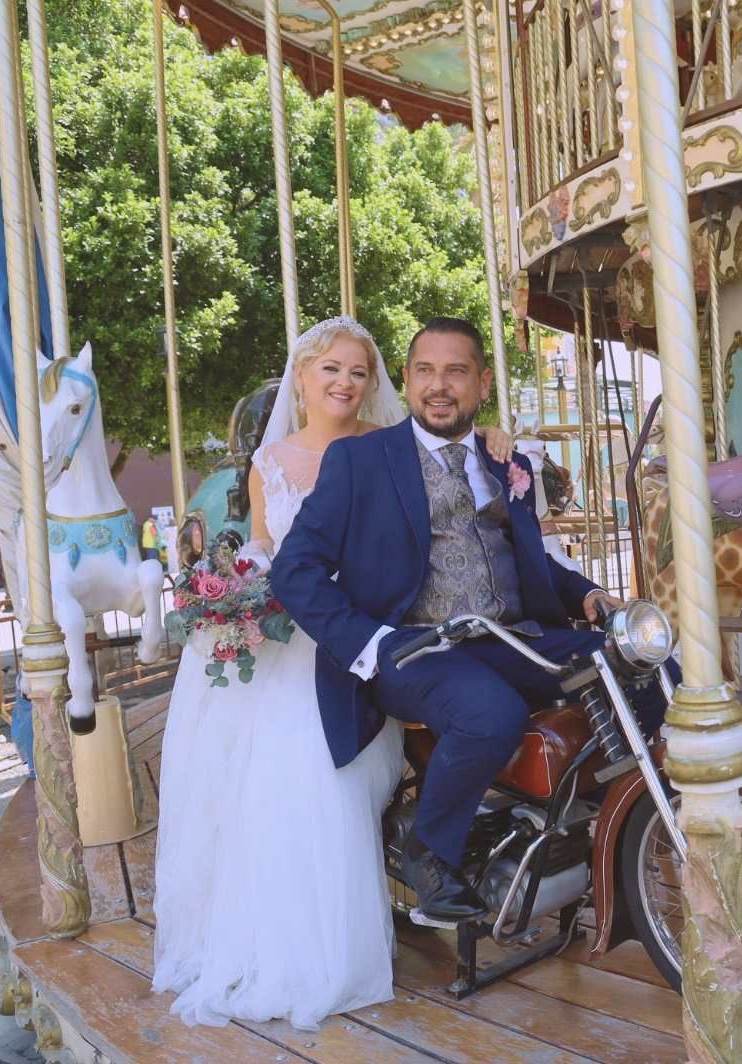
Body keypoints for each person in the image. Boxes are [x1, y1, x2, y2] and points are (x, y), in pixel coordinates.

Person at [151, 316, 515, 1030]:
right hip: (297, 637)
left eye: (358, 371)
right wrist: (236, 596)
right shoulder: (271, 461)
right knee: (284, 786)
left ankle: (366, 916)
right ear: (302, 378)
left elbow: (449, 452)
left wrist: (494, 436)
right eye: (331, 369)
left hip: (373, 627)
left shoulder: (389, 445)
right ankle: (286, 944)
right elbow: (266, 550)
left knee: (337, 782)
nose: (345, 382)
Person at [271, 317, 676, 925]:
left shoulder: (502, 459)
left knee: (647, 667)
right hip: (415, 650)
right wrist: (370, 643)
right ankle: (430, 852)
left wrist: (591, 595)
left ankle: (613, 824)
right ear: (407, 379)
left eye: (455, 372)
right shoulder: (361, 460)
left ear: (482, 383)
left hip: (514, 637)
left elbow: (531, 559)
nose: (439, 386)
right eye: (425, 372)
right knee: (492, 713)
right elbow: (293, 570)